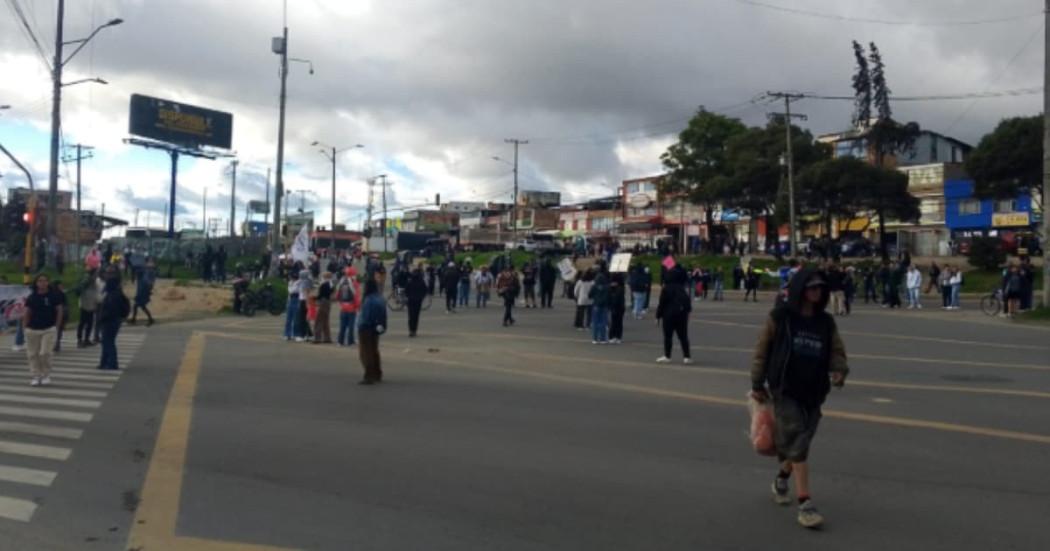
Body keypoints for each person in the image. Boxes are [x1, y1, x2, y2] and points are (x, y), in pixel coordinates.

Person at [750, 269, 849, 529]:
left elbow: (836, 350)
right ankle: (805, 504)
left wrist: (839, 371)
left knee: (799, 443)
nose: (816, 292)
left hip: (814, 390)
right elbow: (762, 350)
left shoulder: (825, 322)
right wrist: (757, 383)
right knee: (797, 439)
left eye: (819, 288)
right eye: (811, 287)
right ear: (799, 290)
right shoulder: (781, 318)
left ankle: (782, 478)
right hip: (786, 389)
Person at [23, 274, 64, 386]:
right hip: (32, 329)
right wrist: (25, 327)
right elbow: (27, 312)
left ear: (48, 283)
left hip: (48, 329)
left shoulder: (54, 296)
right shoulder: (32, 297)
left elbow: (59, 310)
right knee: (33, 354)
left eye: (45, 281)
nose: (42, 283)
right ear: (36, 283)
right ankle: (36, 375)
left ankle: (46, 374)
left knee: (45, 353)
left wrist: (57, 325)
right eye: (40, 281)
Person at [655, 266, 692, 364]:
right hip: (681, 314)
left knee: (668, 336)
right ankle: (687, 357)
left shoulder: (666, 288)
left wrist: (658, 316)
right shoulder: (682, 288)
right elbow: (687, 301)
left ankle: (667, 356)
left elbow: (661, 303)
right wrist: (688, 311)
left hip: (668, 315)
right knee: (683, 336)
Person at [97, 266, 130, 371]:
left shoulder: (112, 286)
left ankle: (112, 364)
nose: (107, 274)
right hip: (112, 319)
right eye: (106, 272)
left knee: (108, 342)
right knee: (106, 341)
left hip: (110, 319)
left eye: (109, 273)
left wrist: (103, 316)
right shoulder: (114, 285)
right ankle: (104, 362)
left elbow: (110, 305)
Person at [356, 279, 387, 385]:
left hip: (366, 328)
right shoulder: (380, 298)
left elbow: (366, 316)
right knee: (374, 350)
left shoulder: (368, 299)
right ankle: (377, 372)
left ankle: (369, 375)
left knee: (365, 352)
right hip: (376, 327)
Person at [336, 267, 360, 346]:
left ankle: (340, 341)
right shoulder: (354, 283)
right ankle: (350, 341)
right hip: (352, 307)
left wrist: (341, 304)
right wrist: (357, 306)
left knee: (342, 326)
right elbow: (356, 296)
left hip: (343, 307)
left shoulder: (341, 282)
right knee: (351, 326)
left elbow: (337, 295)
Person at [130, 258, 156, 326]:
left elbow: (150, 281)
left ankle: (150, 319)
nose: (150, 264)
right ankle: (134, 319)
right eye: (149, 262)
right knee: (138, 306)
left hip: (144, 290)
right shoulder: (145, 270)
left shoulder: (150, 271)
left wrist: (149, 288)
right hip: (141, 290)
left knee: (140, 306)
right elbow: (137, 273)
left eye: (151, 262)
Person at [77, 269, 99, 348]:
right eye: (95, 274)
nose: (96, 275)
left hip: (91, 305)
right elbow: (79, 291)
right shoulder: (85, 282)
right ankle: (79, 340)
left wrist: (96, 303)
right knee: (82, 323)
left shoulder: (94, 283)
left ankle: (86, 339)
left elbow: (95, 293)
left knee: (90, 323)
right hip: (84, 305)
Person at [405, 265, 429, 337]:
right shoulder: (421, 282)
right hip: (418, 301)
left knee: (411, 316)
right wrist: (421, 297)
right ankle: (414, 330)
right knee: (416, 316)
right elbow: (425, 290)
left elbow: (406, 291)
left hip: (411, 301)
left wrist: (408, 296)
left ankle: (411, 330)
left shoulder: (410, 282)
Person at [589, 270, 610, 344]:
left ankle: (595, 339)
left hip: (596, 305)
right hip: (604, 306)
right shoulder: (607, 287)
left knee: (595, 323)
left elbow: (590, 295)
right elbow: (608, 297)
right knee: (603, 323)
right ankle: (602, 339)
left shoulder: (594, 286)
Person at [313, 271, 334, 343]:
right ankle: (327, 338)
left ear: (325, 277)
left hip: (323, 302)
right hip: (328, 302)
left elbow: (321, 295)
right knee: (325, 321)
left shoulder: (324, 284)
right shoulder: (331, 284)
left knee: (318, 320)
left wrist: (314, 298)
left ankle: (317, 338)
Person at [608, 273, 626, 344]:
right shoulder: (621, 288)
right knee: (618, 322)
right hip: (620, 307)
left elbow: (614, 298)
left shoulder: (616, 289)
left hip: (616, 307)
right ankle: (618, 337)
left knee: (614, 322)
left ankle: (612, 336)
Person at [50, 280, 67, 353]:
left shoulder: (51, 293)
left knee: (57, 330)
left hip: (56, 314)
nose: (62, 286)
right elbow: (65, 304)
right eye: (60, 285)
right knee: (58, 330)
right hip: (57, 314)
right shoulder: (60, 293)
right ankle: (56, 344)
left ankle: (56, 344)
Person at [284, 271, 301, 341]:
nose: (289, 277)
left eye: (290, 276)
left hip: (296, 299)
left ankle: (296, 335)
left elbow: (294, 290)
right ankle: (287, 334)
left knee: (296, 319)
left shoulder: (298, 282)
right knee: (288, 319)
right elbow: (290, 292)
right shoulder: (290, 282)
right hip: (290, 300)